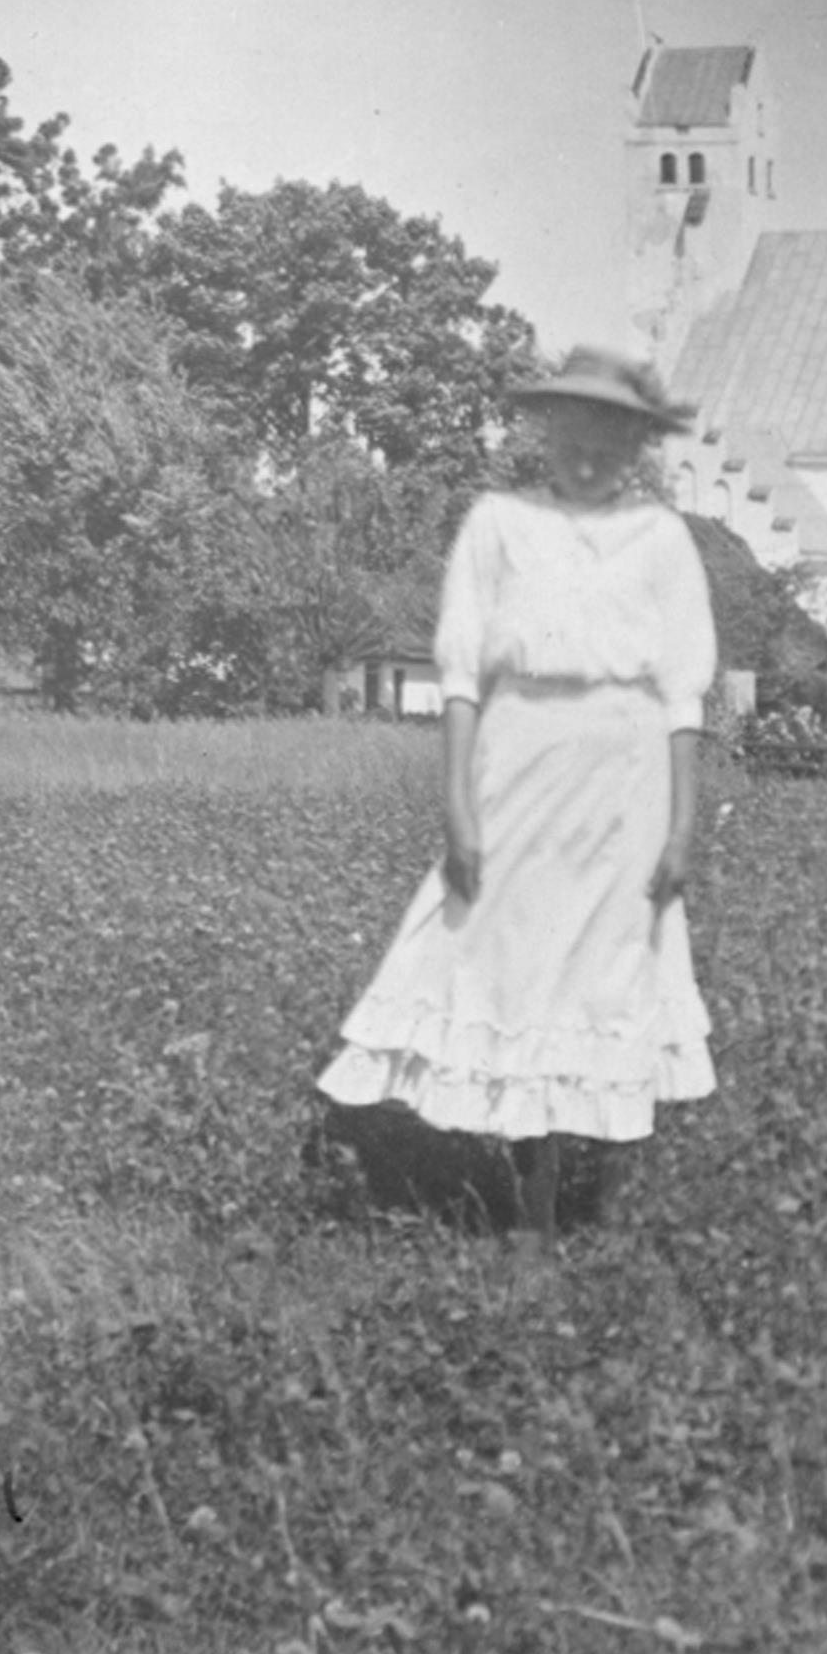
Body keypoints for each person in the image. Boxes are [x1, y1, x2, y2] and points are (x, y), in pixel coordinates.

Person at [316, 348, 721, 1250]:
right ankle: (532, 1211)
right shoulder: (498, 525)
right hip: (520, 771)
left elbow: (683, 694)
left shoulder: (661, 538)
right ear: (547, 433)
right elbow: (462, 678)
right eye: (573, 433)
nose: (589, 454)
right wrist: (459, 808)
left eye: (610, 437)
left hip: (625, 783)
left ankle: (605, 1210)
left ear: (636, 445)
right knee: (520, 970)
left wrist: (683, 825)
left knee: (614, 975)